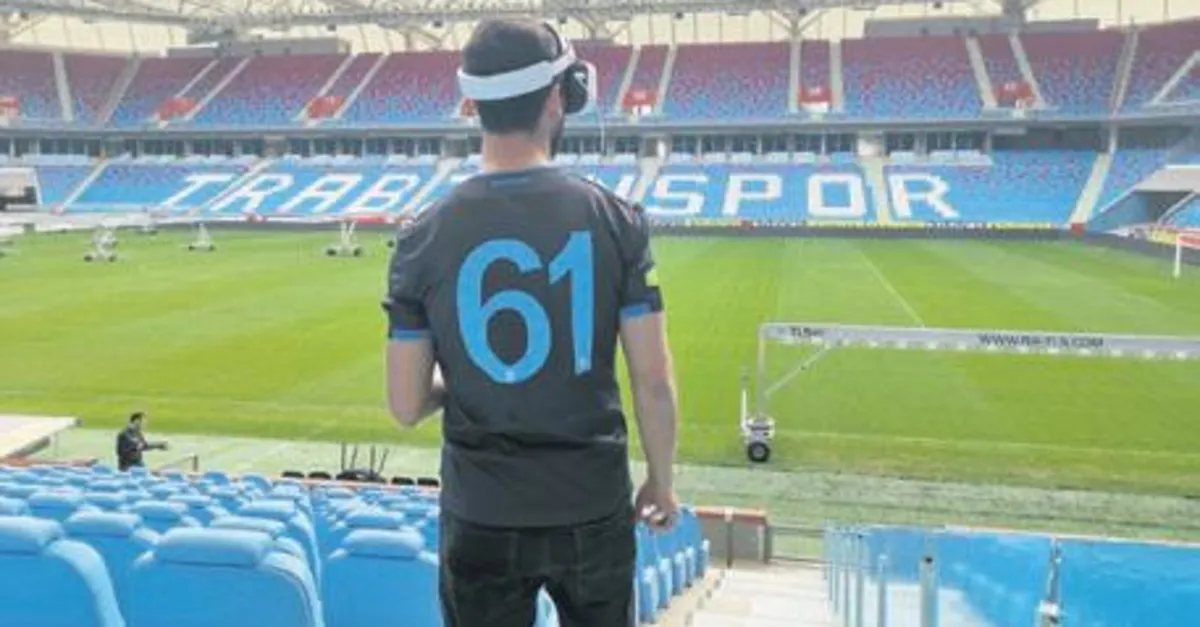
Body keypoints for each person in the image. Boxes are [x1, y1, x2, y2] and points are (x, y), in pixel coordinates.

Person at [381, 18, 681, 627]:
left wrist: (465, 378)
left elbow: (406, 405)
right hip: (591, 502)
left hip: (480, 511)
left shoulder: (421, 236)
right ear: (557, 98)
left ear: (473, 105)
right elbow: (652, 381)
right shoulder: (615, 219)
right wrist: (661, 480)